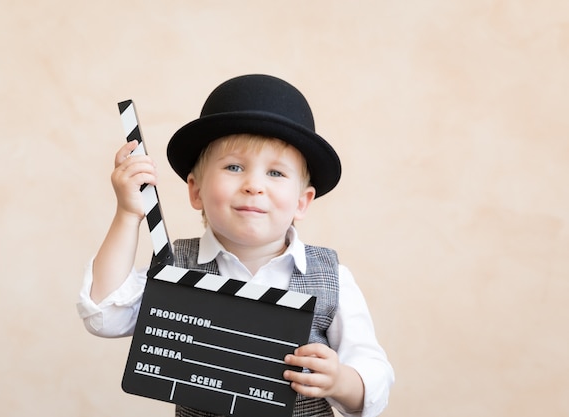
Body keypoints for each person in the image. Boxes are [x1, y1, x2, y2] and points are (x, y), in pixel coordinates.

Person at [77, 74, 394, 417]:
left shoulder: (332, 278)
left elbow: (373, 379)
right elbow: (104, 314)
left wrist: (341, 381)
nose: (254, 185)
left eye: (275, 173)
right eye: (234, 167)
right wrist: (127, 214)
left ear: (302, 202)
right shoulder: (174, 268)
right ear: (196, 190)